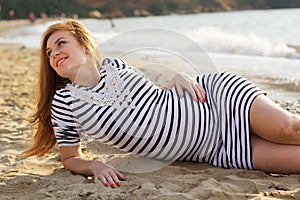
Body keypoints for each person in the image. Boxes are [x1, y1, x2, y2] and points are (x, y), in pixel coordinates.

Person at [23, 19, 300, 188]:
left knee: (290, 130)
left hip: (218, 100)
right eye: (49, 52)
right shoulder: (64, 103)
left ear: (84, 46)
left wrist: (179, 75)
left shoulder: (115, 65)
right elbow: (70, 158)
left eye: (61, 44)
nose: (55, 53)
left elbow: (155, 96)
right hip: (216, 150)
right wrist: (95, 166)